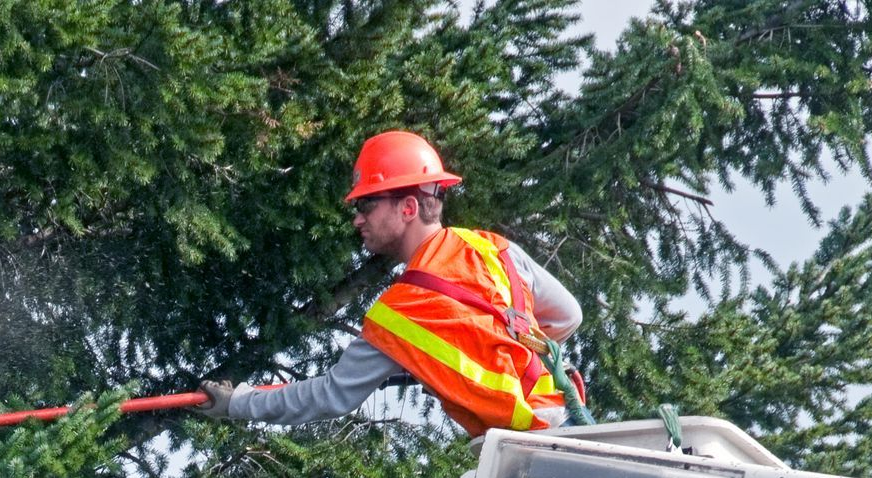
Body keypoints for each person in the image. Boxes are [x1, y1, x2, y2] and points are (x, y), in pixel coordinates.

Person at [200, 131, 585, 437]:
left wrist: (238, 404)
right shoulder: (491, 249)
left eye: (366, 205)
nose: (357, 219)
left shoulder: (403, 311)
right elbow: (568, 316)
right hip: (570, 420)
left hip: (529, 445)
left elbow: (331, 395)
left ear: (408, 207)